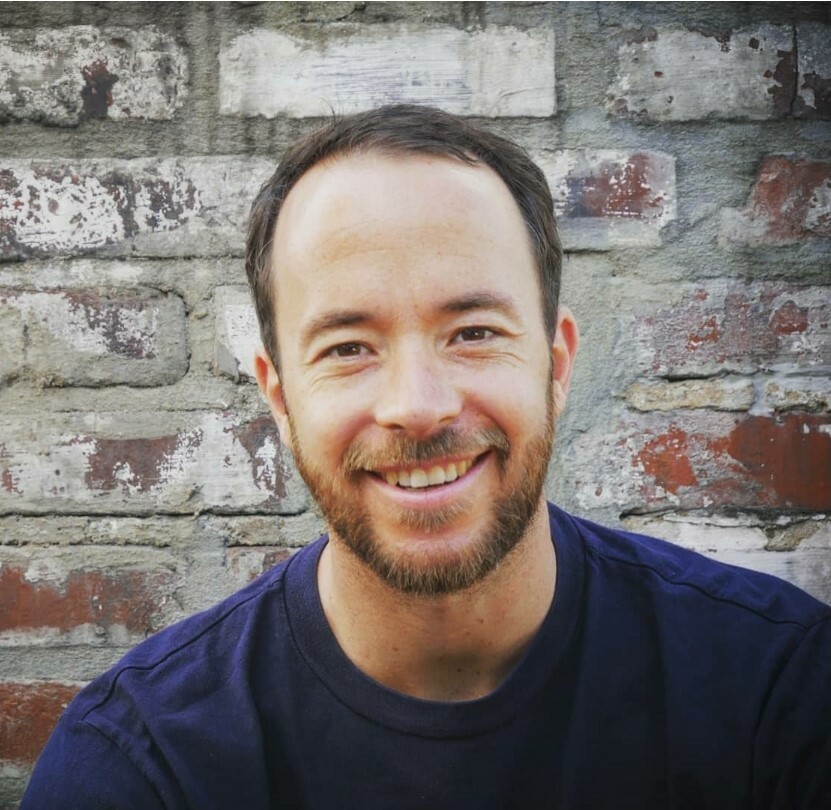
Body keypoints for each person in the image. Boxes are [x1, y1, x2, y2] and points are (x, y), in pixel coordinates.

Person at [22, 105, 831, 809]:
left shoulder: (780, 694)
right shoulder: (140, 765)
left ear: (554, 364)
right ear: (279, 397)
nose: (417, 404)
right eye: (347, 347)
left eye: (473, 332)